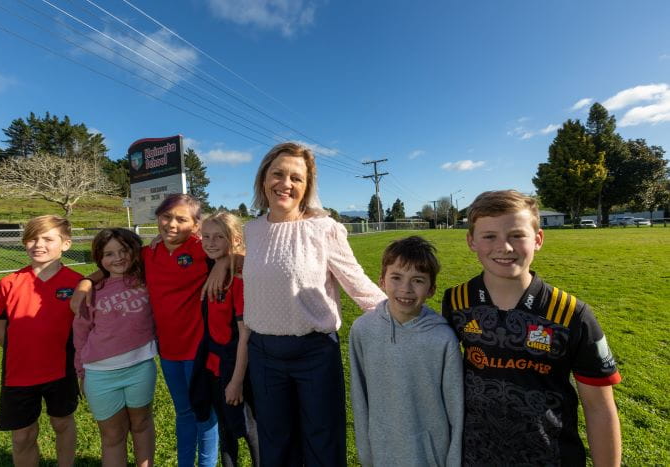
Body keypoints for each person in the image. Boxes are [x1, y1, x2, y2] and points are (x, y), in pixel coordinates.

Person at [442, 190, 622, 467]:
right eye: (489, 236)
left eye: (517, 235)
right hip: (475, 457)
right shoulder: (456, 302)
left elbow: (599, 408)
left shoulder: (572, 314)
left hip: (552, 458)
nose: (505, 247)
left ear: (538, 239)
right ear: (471, 241)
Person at [243, 142, 386, 466]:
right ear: (264, 178)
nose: (286, 183)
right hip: (263, 353)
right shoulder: (250, 231)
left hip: (315, 353)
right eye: (278, 173)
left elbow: (357, 282)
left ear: (307, 188)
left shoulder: (324, 228)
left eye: (296, 178)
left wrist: (404, 316)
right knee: (275, 444)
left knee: (323, 443)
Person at [71, 194, 225, 466]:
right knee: (184, 412)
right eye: (166, 217)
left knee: (205, 412)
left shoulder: (202, 249)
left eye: (181, 219)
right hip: (168, 351)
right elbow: (112, 266)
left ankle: (207, 463)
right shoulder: (147, 254)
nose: (172, 224)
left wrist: (223, 263)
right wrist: (85, 281)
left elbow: (238, 257)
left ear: (196, 224)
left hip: (199, 348)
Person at [349, 236, 463, 467]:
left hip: (431, 456)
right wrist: (365, 451)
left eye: (418, 280)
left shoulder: (443, 338)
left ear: (431, 289)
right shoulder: (362, 330)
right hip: (382, 451)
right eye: (396, 277)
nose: (406, 289)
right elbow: (359, 397)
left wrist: (453, 459)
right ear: (382, 280)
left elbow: (456, 407)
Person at [0, 215, 82, 466]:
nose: (39, 244)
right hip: (19, 374)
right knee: (23, 435)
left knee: (62, 423)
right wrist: (28, 353)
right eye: (32, 239)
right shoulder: (8, 283)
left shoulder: (78, 283)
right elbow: (0, 332)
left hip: (61, 370)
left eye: (48, 238)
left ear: (66, 244)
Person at [73, 228, 156, 466]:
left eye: (123, 251)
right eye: (109, 254)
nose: (118, 258)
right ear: (99, 258)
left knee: (141, 425)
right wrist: (81, 372)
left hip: (140, 368)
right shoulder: (92, 292)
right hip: (99, 375)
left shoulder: (147, 279)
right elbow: (80, 335)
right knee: (112, 436)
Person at [189, 211, 260, 467]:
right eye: (205, 236)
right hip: (213, 365)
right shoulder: (211, 266)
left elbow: (245, 334)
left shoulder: (239, 279)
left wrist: (237, 381)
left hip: (237, 368)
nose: (210, 242)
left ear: (235, 238)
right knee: (226, 429)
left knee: (250, 429)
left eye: (219, 237)